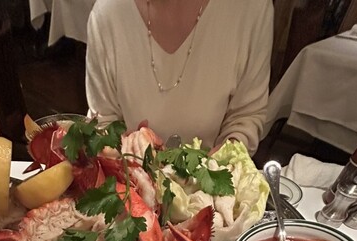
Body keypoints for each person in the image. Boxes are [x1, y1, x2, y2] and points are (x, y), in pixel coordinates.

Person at [85, 0, 274, 155]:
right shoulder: (107, 14)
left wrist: (219, 162)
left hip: (210, 180)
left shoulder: (252, 9)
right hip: (131, 179)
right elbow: (104, 123)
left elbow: (245, 118)